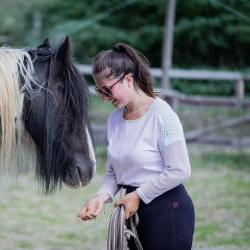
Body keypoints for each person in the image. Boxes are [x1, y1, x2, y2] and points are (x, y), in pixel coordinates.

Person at [77, 43, 195, 249]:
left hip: (167, 210)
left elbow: (180, 170)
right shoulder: (114, 119)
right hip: (132, 209)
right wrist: (101, 197)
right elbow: (114, 171)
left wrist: (139, 195)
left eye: (107, 89)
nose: (104, 97)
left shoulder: (162, 115)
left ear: (128, 79)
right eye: (99, 90)